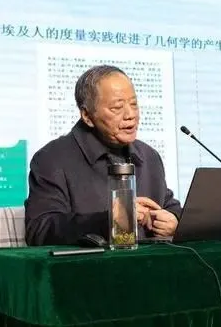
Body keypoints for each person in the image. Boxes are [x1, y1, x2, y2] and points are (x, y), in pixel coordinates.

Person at [24, 65, 181, 246]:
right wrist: (109, 221)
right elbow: (39, 230)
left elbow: (169, 205)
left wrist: (174, 220)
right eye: (117, 107)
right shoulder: (52, 159)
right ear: (87, 115)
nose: (131, 115)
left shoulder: (148, 155)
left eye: (134, 104)